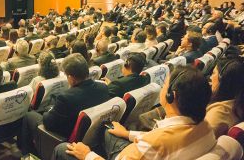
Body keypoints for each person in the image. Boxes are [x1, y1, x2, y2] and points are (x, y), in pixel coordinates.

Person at [53, 66, 215, 160]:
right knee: (108, 129)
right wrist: (128, 134)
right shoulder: (207, 126)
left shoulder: (155, 143)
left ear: (172, 96)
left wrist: (88, 155)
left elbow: (155, 143)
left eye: (164, 84)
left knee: (62, 148)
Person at [18, 53, 109, 155]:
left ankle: (27, 154)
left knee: (29, 116)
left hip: (63, 139)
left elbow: (48, 123)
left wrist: (49, 110)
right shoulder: (104, 88)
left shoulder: (66, 97)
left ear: (71, 77)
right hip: (93, 138)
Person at [206, 57, 244, 138]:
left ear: (222, 78)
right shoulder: (238, 104)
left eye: (213, 73)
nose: (210, 77)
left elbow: (199, 142)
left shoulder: (218, 114)